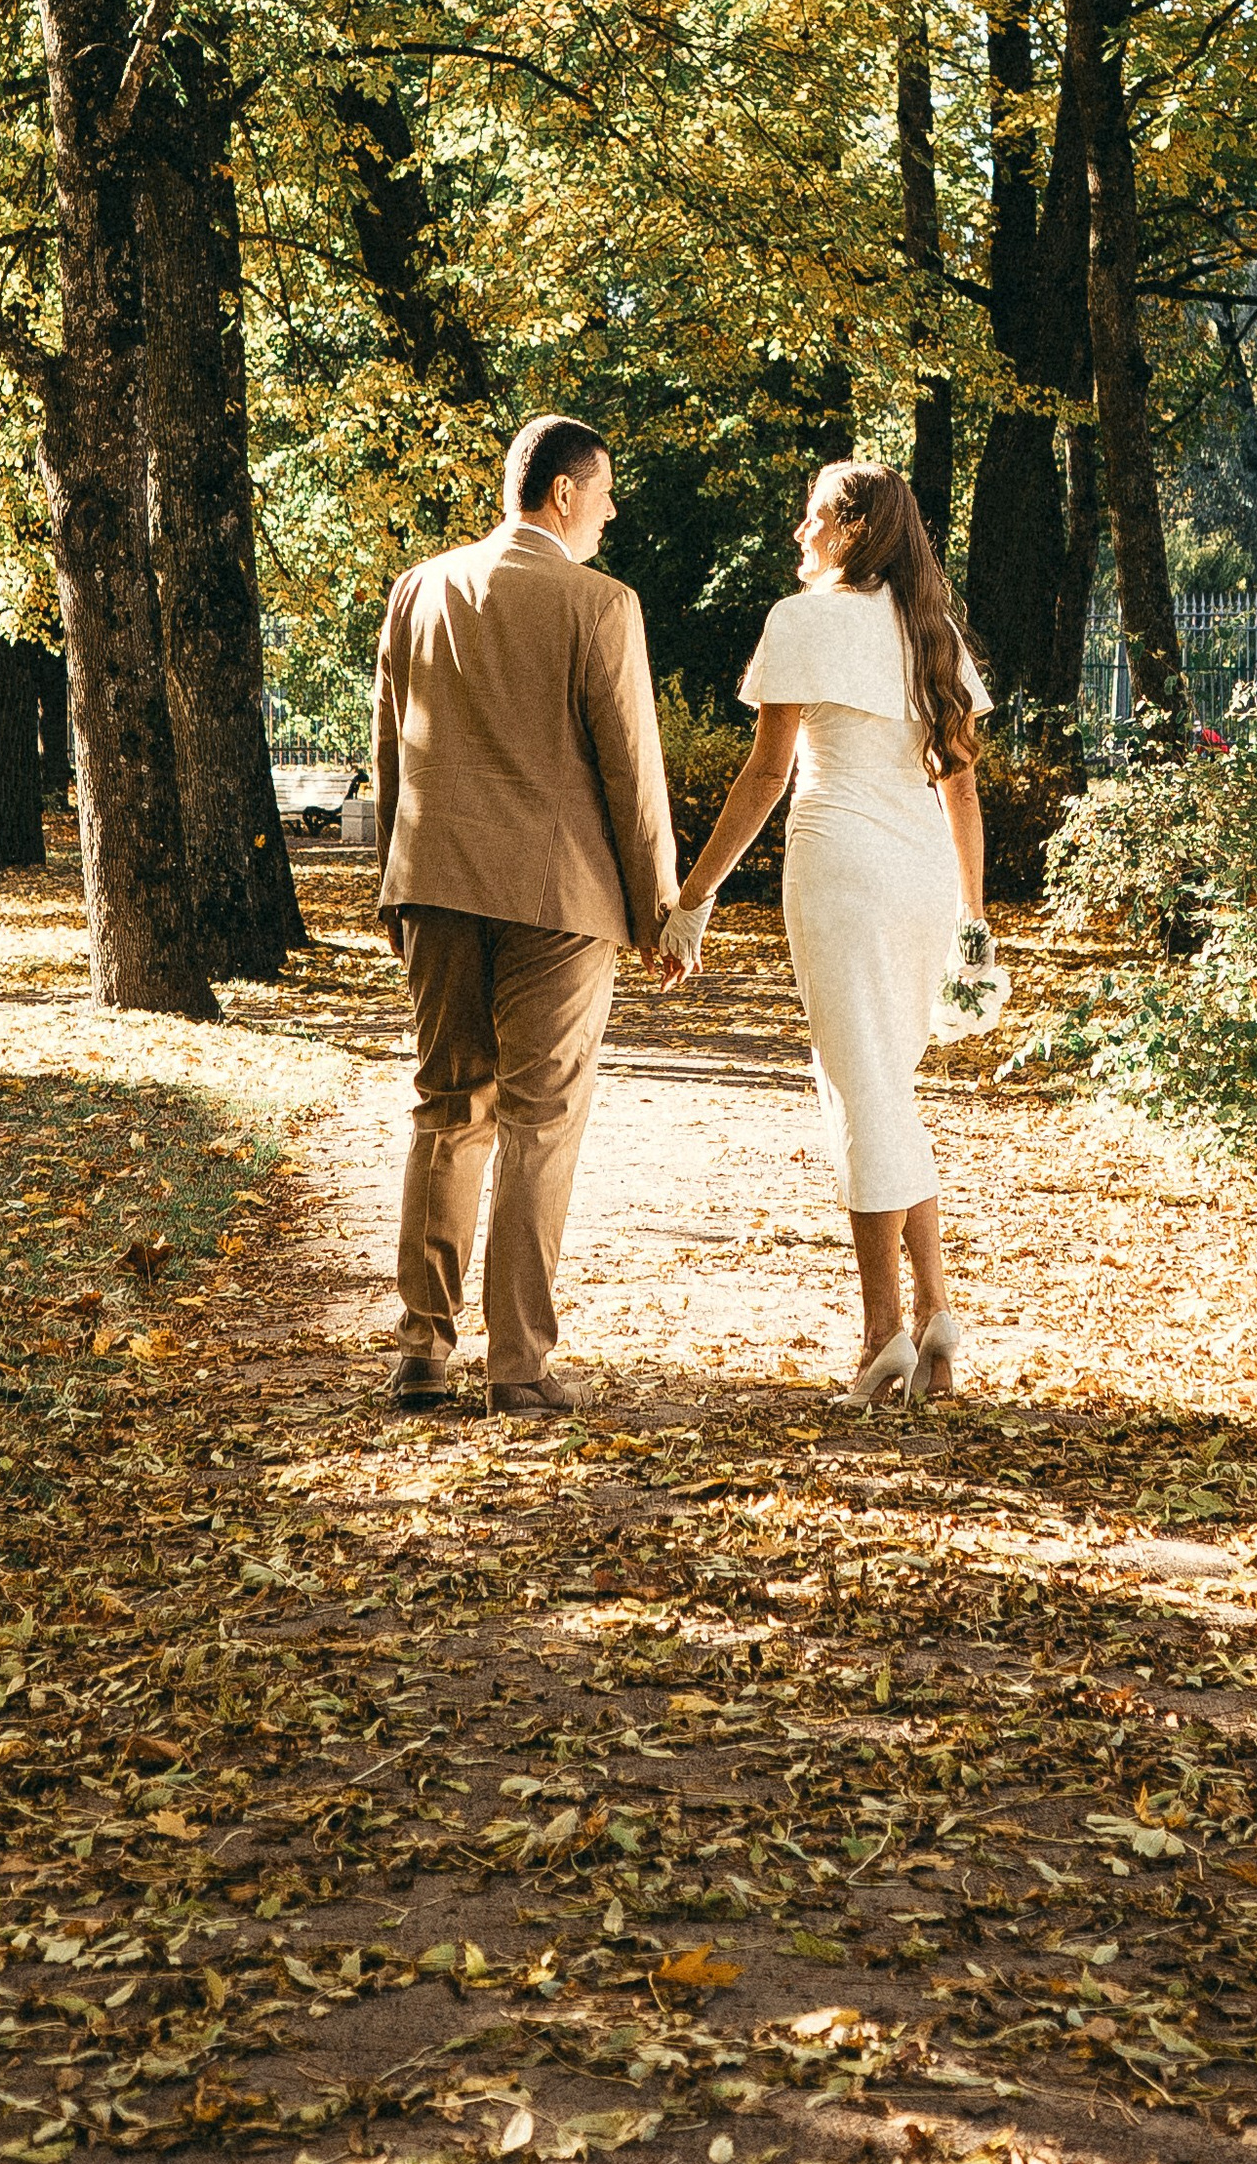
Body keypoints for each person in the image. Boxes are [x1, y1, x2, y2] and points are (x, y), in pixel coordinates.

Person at [659, 461, 991, 1405]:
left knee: (861, 1094)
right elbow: (959, 789)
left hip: (841, 866)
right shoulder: (933, 633)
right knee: (889, 1088)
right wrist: (973, 921)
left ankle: (881, 1332)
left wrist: (692, 899)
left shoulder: (800, 621)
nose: (798, 534)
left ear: (851, 532)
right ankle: (934, 1315)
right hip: (924, 875)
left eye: (812, 519)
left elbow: (766, 777)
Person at [373, 413, 679, 1417]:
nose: (612, 510)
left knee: (446, 1109)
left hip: (436, 882)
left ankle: (421, 1350)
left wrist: (394, 881)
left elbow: (390, 747)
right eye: (604, 492)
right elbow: (631, 771)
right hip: (559, 898)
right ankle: (515, 1368)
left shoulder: (419, 588)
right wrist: (658, 912)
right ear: (561, 495)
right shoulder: (600, 603)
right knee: (540, 1123)